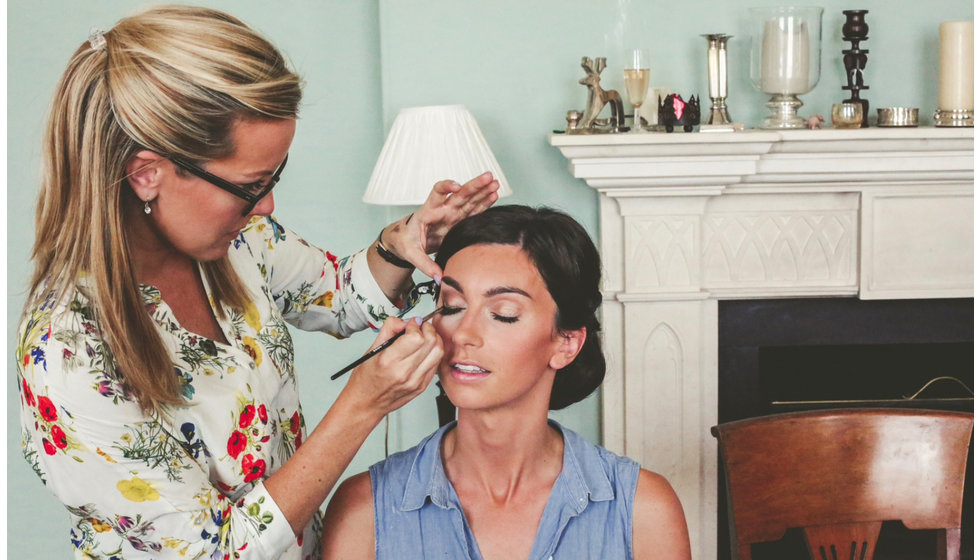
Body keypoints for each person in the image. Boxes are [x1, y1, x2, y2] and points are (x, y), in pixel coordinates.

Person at [15, 5, 500, 559]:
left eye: (275, 176)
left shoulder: (240, 241)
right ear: (147, 174)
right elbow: (218, 552)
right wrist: (363, 405)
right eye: (250, 184)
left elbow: (337, 296)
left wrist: (404, 242)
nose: (267, 205)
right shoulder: (70, 351)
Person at [321, 205, 691, 560]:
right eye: (452, 306)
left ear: (566, 343)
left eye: (503, 314)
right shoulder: (363, 510)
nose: (465, 333)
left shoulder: (643, 511)